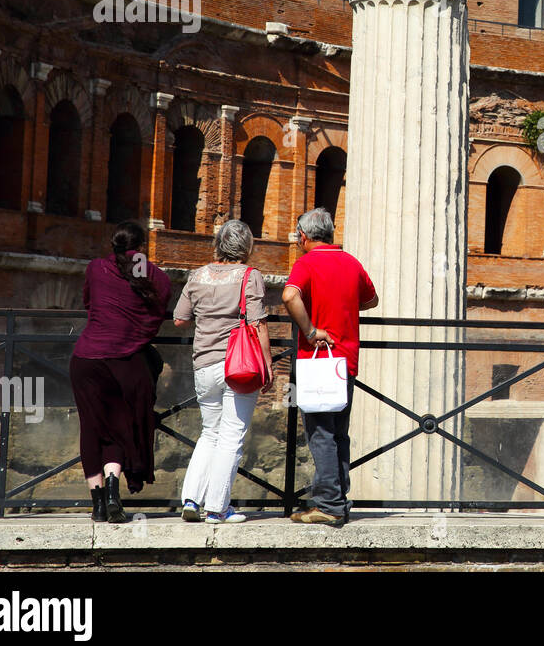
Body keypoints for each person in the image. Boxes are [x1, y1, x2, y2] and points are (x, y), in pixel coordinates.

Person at [172, 219, 273, 525]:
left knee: (210, 432)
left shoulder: (197, 275)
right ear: (246, 247)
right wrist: (268, 364)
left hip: (203, 364)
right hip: (237, 365)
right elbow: (258, 322)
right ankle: (217, 508)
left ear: (217, 244)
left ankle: (191, 499)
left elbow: (179, 319)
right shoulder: (249, 276)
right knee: (231, 437)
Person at [71, 220, 172, 523]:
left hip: (86, 359)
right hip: (126, 362)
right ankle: (114, 488)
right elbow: (159, 307)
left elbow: (89, 302)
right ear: (142, 248)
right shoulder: (154, 275)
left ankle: (99, 504)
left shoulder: (95, 268)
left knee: (92, 428)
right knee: (118, 425)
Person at [282, 207, 377, 526]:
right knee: (339, 433)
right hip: (346, 360)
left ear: (304, 236)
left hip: (317, 360)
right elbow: (371, 300)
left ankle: (329, 504)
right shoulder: (351, 263)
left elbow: (290, 295)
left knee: (320, 433)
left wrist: (310, 330)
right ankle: (338, 499)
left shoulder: (306, 263)